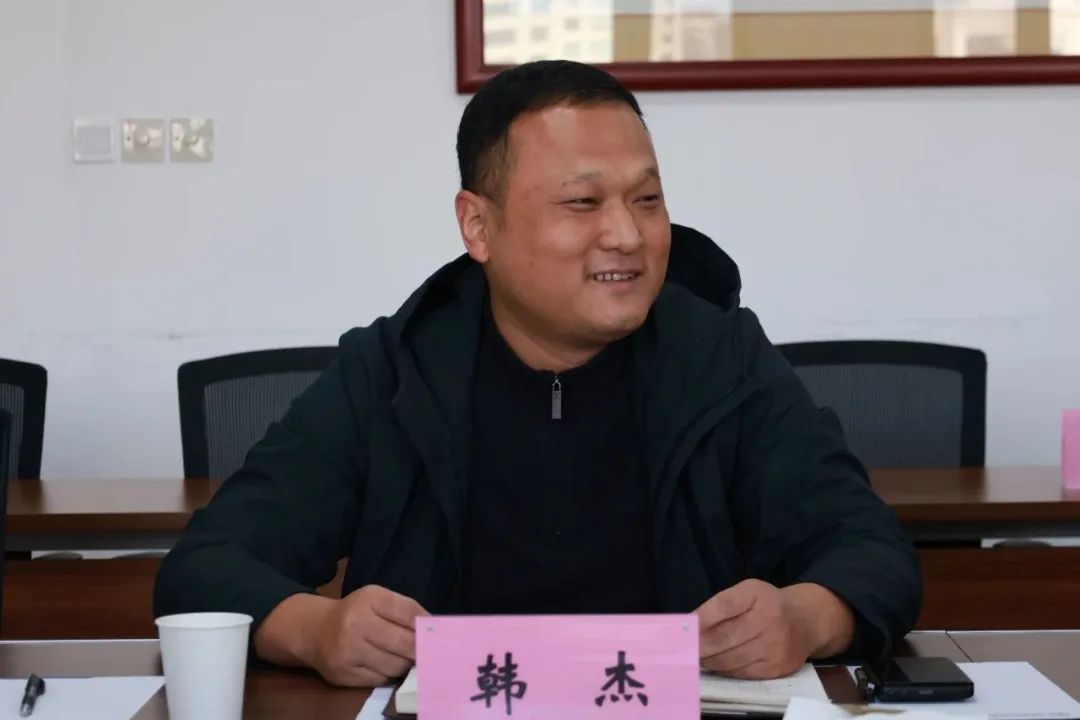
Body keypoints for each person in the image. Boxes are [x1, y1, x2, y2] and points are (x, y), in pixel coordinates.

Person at [155, 60, 921, 688]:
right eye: (582, 202)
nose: (627, 234)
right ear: (477, 225)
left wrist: (805, 617)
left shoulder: (721, 359)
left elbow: (873, 551)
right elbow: (205, 570)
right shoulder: (392, 372)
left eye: (647, 199)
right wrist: (317, 629)